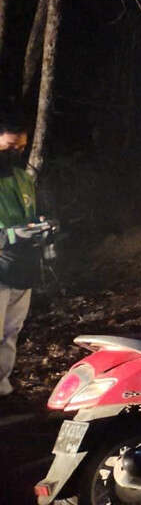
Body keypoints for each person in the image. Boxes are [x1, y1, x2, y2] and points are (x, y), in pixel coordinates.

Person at [0, 112, 38, 398]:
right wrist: (12, 235)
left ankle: (4, 386)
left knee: (12, 331)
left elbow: (30, 216)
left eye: (21, 148)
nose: (16, 153)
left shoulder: (22, 179)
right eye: (9, 148)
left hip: (21, 268)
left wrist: (40, 228)